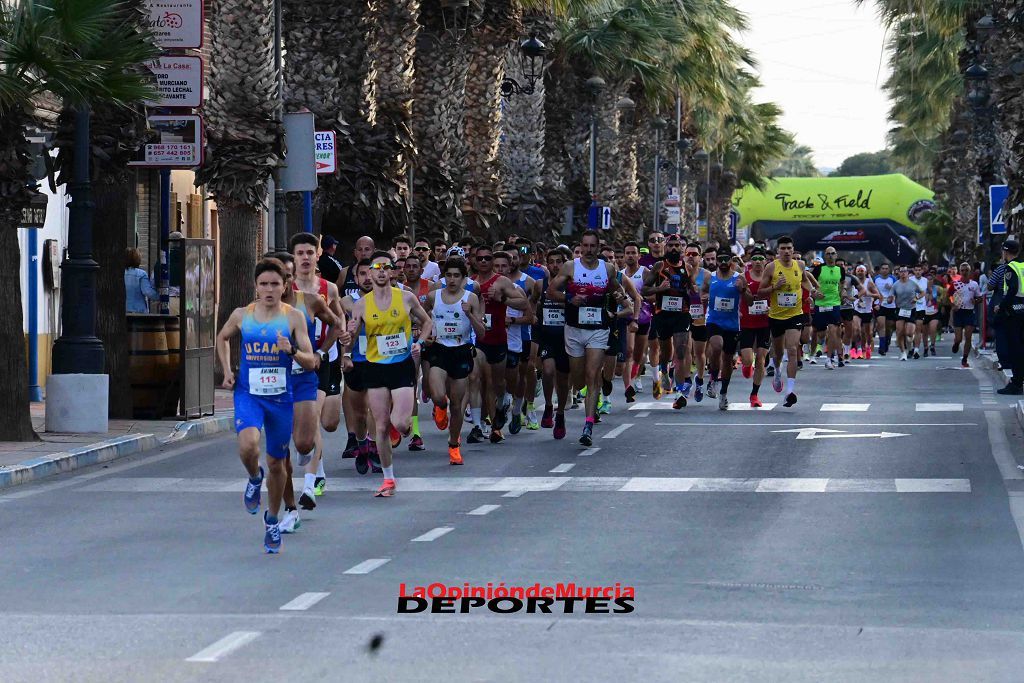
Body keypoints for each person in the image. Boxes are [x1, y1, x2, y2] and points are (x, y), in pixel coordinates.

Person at [216, 258, 318, 553]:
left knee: (277, 463)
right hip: (250, 394)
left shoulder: (293, 318)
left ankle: (272, 520)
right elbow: (223, 337)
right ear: (256, 287)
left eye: (275, 284)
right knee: (248, 446)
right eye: (264, 284)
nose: (270, 289)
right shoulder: (241, 315)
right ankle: (252, 477)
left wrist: (293, 350)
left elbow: (311, 362)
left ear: (285, 286)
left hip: (281, 399)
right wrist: (227, 370)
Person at [346, 251, 432, 498]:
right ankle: (388, 479)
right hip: (375, 367)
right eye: (377, 267)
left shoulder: (406, 298)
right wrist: (349, 335)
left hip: (401, 365)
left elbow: (427, 322)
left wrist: (420, 342)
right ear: (370, 273)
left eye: (386, 267)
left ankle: (404, 429)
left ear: (393, 271)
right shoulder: (361, 305)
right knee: (381, 426)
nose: (381, 271)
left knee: (401, 423)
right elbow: (351, 339)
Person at [272, 252, 340, 527]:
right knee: (279, 453)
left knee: (303, 442)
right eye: (272, 281)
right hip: (273, 383)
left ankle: (311, 471)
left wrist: (321, 353)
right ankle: (290, 509)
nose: (281, 285)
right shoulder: (255, 311)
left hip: (305, 376)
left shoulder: (308, 303)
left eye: (286, 278)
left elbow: (335, 322)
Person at [547, 230, 626, 445]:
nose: (589, 250)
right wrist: (569, 298)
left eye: (593, 246)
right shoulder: (570, 267)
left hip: (598, 329)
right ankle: (562, 414)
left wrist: (620, 301)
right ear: (580, 247)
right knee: (579, 378)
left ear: (598, 248)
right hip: (574, 329)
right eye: (585, 246)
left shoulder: (607, 268)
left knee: (592, 375)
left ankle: (588, 425)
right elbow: (551, 291)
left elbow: (617, 291)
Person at [289, 233, 348, 499]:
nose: (304, 258)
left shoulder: (328, 288)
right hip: (301, 362)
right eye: (299, 253)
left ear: (318, 254)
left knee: (330, 422)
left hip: (327, 357)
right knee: (312, 419)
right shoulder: (285, 289)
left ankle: (314, 461)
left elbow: (338, 320)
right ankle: (313, 480)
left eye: (309, 253)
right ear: (293, 257)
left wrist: (333, 346)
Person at [423, 257, 488, 463]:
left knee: (458, 406)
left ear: (463, 278)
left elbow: (482, 333)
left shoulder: (471, 298)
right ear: (443, 277)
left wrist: (470, 315)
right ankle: (439, 408)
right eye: (448, 275)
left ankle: (454, 445)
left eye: (456, 276)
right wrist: (426, 335)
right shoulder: (433, 297)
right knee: (438, 395)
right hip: (439, 350)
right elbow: (421, 318)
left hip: (461, 351)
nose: (452, 279)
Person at [760, 235, 821, 408]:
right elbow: (760, 292)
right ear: (778, 251)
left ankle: (790, 391)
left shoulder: (800, 265)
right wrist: (774, 287)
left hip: (795, 314)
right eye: (783, 249)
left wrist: (812, 292)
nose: (786, 251)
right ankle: (777, 371)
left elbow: (804, 281)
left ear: (793, 250)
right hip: (776, 316)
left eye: (789, 248)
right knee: (778, 353)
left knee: (793, 349)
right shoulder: (771, 268)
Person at [703, 247, 747, 410]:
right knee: (716, 346)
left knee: (728, 359)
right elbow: (702, 293)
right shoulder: (710, 277)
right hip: (714, 320)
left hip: (732, 324)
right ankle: (713, 379)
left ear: (731, 261)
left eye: (725, 259)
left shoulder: (739, 277)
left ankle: (723, 393)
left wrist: (741, 289)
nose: (722, 262)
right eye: (719, 259)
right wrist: (704, 300)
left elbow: (748, 300)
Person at [739, 248, 771, 407]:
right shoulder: (744, 277)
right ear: (751, 261)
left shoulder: (770, 277)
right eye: (755, 258)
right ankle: (746, 365)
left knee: (761, 359)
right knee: (747, 359)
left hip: (765, 323)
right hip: (747, 322)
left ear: (765, 261)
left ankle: (754, 395)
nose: (758, 261)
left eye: (761, 258)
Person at [996, 239, 1024, 394]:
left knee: (1015, 348)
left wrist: (1001, 306)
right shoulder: (1023, 265)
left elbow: (1012, 289)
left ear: (1006, 252)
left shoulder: (1010, 268)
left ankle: (1016, 383)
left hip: (1014, 311)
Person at [950, 262, 982, 368]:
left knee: (968, 336)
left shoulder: (974, 284)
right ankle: (956, 343)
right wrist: (953, 304)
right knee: (959, 338)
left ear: (970, 271)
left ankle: (964, 358)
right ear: (960, 271)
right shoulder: (955, 284)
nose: (964, 272)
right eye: (962, 270)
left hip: (969, 312)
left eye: (966, 270)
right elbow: (949, 296)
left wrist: (976, 301)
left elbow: (980, 297)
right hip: (958, 313)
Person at [891, 265, 924, 361]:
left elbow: (922, 293)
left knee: (909, 333)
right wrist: (890, 299)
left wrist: (916, 298)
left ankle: (910, 345)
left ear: (908, 273)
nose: (903, 273)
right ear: (899, 273)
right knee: (900, 332)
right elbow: (891, 295)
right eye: (901, 271)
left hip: (911, 310)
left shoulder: (913, 283)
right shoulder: (896, 284)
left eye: (905, 271)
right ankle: (903, 353)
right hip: (900, 310)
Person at [125, 248, 159, 313]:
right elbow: (147, 291)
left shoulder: (118, 274)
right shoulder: (141, 274)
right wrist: (160, 297)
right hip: (138, 311)